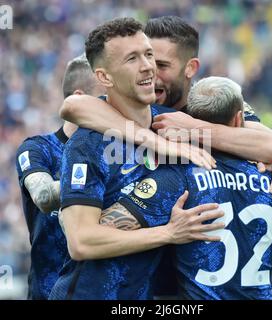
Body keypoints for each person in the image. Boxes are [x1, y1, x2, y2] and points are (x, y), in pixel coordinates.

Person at [49, 17, 224, 300]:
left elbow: (266, 145)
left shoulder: (175, 126)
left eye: (149, 54)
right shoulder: (87, 145)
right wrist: (169, 233)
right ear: (105, 77)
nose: (147, 66)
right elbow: (81, 242)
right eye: (132, 58)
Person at [101, 76, 272, 300]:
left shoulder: (177, 177)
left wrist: (167, 233)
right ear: (239, 119)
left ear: (187, 119)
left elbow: (102, 231)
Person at [59, 15, 272, 200]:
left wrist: (192, 127)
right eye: (142, 57)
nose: (150, 70)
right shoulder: (127, 103)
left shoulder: (209, 103)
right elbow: (73, 106)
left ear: (190, 68)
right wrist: (156, 142)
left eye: (160, 64)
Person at [15, 54, 106, 299]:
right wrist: (92, 184)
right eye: (105, 98)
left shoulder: (116, 150)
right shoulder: (39, 148)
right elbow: (43, 196)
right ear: (79, 98)